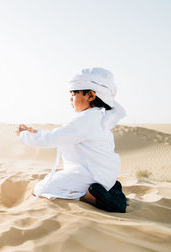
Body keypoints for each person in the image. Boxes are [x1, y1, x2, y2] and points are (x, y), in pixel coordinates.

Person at [17, 67, 127, 212]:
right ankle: (108, 189)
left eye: (74, 93)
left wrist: (24, 136)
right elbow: (63, 134)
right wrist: (36, 132)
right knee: (54, 182)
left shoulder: (85, 120)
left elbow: (53, 139)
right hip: (103, 175)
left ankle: (91, 197)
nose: (70, 98)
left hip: (90, 175)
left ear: (90, 96)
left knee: (43, 188)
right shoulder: (98, 117)